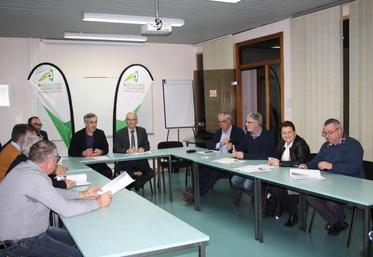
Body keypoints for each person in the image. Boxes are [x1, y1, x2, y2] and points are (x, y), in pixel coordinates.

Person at [0, 140, 112, 257]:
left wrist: (82, 194)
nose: (57, 163)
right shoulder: (34, 178)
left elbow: (50, 192)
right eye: (57, 159)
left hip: (33, 232)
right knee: (79, 253)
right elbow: (66, 210)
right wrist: (98, 203)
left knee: (81, 241)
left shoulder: (26, 168)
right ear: (50, 161)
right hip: (21, 241)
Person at [301, 118, 364, 236]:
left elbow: (354, 168)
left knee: (331, 201)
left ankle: (338, 219)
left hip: (352, 184)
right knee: (310, 197)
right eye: (325, 133)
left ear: (340, 131)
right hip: (330, 183)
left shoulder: (353, 145)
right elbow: (316, 161)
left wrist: (332, 166)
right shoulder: (326, 146)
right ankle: (337, 222)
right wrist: (306, 166)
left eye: (330, 132)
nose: (327, 136)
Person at [183, 113, 245, 203]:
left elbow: (244, 148)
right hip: (218, 160)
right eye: (219, 122)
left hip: (231, 163)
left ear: (229, 121)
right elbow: (210, 145)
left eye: (223, 122)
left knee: (214, 172)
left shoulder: (238, 132)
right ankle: (194, 190)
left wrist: (233, 147)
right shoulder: (219, 132)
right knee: (204, 169)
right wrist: (219, 144)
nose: (221, 124)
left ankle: (197, 194)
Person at [267, 121, 310, 227]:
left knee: (277, 188)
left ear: (294, 133)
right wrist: (272, 159)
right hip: (283, 175)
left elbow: (300, 162)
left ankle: (293, 214)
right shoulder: (282, 142)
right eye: (284, 133)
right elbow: (276, 154)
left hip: (297, 178)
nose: (287, 135)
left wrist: (279, 163)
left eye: (289, 132)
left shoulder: (300, 144)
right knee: (272, 186)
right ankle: (285, 208)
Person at [231, 112, 275, 194]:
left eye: (248, 122)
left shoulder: (267, 136)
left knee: (247, 184)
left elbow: (265, 156)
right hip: (249, 166)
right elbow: (241, 147)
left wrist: (244, 156)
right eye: (246, 122)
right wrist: (234, 149)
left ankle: (261, 198)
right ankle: (257, 196)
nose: (246, 124)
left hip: (263, 168)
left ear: (257, 124)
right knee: (235, 180)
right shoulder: (248, 134)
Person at [113, 112, 154, 191]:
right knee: (129, 175)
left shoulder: (142, 131)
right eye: (129, 120)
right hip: (126, 161)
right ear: (126, 121)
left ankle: (136, 184)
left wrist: (143, 149)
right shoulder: (120, 133)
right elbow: (115, 149)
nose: (131, 122)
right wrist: (127, 150)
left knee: (151, 173)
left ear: (136, 121)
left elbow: (147, 146)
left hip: (140, 161)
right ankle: (134, 184)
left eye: (133, 120)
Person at [68, 113, 113, 179]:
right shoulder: (77, 135)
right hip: (83, 164)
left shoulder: (100, 133)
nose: (94, 125)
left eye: (95, 122)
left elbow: (106, 148)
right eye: (91, 122)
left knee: (108, 172)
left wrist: (101, 152)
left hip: (98, 163)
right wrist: (83, 153)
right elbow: (71, 152)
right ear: (86, 123)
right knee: (87, 175)